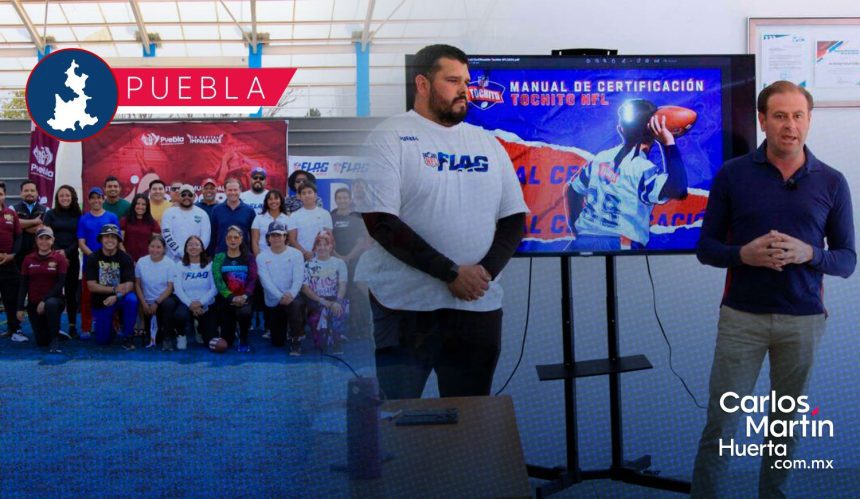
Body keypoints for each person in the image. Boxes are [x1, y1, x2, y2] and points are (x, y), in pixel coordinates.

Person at [691, 81, 856, 498]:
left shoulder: (832, 182)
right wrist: (744, 254)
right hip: (741, 319)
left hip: (802, 321)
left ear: (809, 120)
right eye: (780, 116)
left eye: (798, 116)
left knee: (785, 429)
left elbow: (847, 260)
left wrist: (808, 254)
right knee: (722, 425)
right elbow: (706, 249)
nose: (790, 125)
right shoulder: (732, 175)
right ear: (762, 120)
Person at [356, 44, 527, 399]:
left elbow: (514, 219)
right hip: (405, 308)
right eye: (452, 80)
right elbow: (380, 221)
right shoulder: (389, 137)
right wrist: (450, 273)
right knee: (400, 424)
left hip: (477, 307)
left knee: (470, 422)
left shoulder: (488, 143)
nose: (464, 89)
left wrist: (483, 275)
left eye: (465, 80)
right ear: (422, 84)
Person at [565, 98, 688, 251]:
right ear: (654, 132)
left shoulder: (600, 158)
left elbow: (573, 190)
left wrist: (577, 228)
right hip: (621, 245)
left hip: (583, 240)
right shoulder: (642, 168)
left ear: (621, 128)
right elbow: (679, 190)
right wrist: (668, 143)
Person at [77, 187, 120, 339]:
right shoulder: (84, 219)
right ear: (89, 200)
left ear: (103, 199)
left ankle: (115, 325)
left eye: (99, 197)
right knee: (87, 296)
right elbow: (81, 243)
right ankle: (86, 327)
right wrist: (95, 258)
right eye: (93, 198)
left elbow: (117, 240)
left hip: (110, 264)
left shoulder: (112, 217)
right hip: (91, 263)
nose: (96, 200)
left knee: (112, 294)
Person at [86, 224, 138, 349]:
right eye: (106, 237)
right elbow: (91, 286)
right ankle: (112, 326)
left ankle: (128, 336)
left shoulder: (125, 258)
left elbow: (129, 285)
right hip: (101, 300)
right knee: (103, 341)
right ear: (101, 239)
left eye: (113, 237)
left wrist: (116, 296)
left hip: (120, 297)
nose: (110, 240)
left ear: (118, 240)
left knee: (131, 300)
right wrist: (113, 289)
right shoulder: (93, 258)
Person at [256, 221, 304, 355]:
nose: (276, 238)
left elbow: (298, 279)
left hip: (292, 297)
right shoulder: (261, 257)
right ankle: (281, 328)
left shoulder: (296, 254)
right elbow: (265, 282)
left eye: (279, 235)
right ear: (268, 238)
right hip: (274, 300)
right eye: (273, 235)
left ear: (285, 237)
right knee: (278, 342)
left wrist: (290, 295)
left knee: (296, 305)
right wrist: (280, 296)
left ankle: (296, 338)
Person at [16, 227, 67, 352]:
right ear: (36, 240)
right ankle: (55, 331)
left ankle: (55, 339)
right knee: (42, 342)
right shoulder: (28, 259)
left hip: (53, 301)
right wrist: (20, 307)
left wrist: (44, 300)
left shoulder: (59, 258)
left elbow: (60, 283)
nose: (44, 242)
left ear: (53, 240)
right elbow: (23, 285)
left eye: (47, 238)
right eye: (41, 238)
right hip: (34, 304)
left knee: (50, 304)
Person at [330, 187, 372, 335]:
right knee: (338, 292)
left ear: (350, 199)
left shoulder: (356, 217)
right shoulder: (331, 216)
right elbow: (329, 238)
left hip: (354, 260)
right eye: (339, 198)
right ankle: (336, 326)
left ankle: (360, 325)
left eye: (345, 198)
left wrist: (348, 257)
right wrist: (337, 256)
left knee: (356, 292)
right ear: (335, 200)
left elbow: (362, 240)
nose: (342, 200)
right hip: (334, 260)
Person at [301, 230, 349, 354]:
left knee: (340, 309)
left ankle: (337, 339)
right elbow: (305, 288)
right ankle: (321, 337)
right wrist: (322, 301)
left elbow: (342, 285)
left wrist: (338, 301)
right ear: (315, 247)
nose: (322, 248)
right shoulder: (308, 264)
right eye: (319, 244)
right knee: (320, 345)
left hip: (334, 298)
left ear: (331, 246)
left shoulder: (339, 263)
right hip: (316, 300)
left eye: (325, 244)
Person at [44, 185, 81, 338]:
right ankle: (55, 325)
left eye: (67, 195)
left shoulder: (78, 215)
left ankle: (72, 325)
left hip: (72, 258)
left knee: (71, 293)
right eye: (61, 196)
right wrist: (59, 254)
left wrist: (66, 253)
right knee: (55, 291)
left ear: (72, 197)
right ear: (57, 198)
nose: (65, 198)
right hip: (53, 258)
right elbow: (46, 236)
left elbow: (79, 238)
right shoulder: (50, 214)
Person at [212, 226, 257, 352]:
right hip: (226, 300)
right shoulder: (219, 257)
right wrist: (231, 297)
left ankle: (243, 337)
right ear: (226, 240)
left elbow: (252, 279)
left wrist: (244, 296)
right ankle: (232, 331)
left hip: (244, 299)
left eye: (236, 237)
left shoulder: (249, 257)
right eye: (230, 237)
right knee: (228, 342)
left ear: (241, 239)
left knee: (244, 313)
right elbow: (218, 280)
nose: (233, 240)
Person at [171, 235, 218, 349]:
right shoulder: (179, 265)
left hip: (205, 304)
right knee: (180, 315)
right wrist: (191, 304)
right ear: (186, 249)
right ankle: (181, 335)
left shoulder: (210, 264)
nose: (193, 247)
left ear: (202, 248)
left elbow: (215, 288)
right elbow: (178, 289)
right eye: (190, 245)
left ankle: (200, 328)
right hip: (187, 302)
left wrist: (200, 302)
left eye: (196, 244)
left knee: (210, 342)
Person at [134, 235, 177, 350]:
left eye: (159, 247)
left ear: (164, 249)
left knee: (169, 304)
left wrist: (156, 303)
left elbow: (170, 288)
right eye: (152, 246)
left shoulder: (170, 263)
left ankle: (168, 338)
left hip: (162, 302)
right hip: (147, 304)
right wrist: (143, 304)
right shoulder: (141, 262)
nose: (155, 250)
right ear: (148, 247)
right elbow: (137, 285)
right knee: (155, 339)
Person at [0, 181, 25, 342]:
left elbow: (19, 236)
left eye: (0, 194)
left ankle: (14, 328)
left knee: (11, 297)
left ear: (4, 195)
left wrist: (13, 255)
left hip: (8, 262)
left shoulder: (11, 213)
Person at [161, 184, 211, 262]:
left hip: (195, 259)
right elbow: (167, 235)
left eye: (190, 195)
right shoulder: (168, 213)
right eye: (183, 195)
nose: (186, 197)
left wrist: (193, 253)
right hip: (172, 260)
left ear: (194, 196)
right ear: (178, 196)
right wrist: (180, 252)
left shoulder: (202, 214)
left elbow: (205, 237)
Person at [289, 182, 332, 261]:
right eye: (304, 193)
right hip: (301, 257)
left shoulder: (325, 214)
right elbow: (292, 239)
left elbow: (329, 238)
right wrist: (305, 253)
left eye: (309, 192)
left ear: (315, 195)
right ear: (300, 197)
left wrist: (317, 253)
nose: (307, 195)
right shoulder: (294, 216)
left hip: (321, 257)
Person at [210, 178, 255, 255]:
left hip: (243, 255)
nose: (233, 193)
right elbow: (213, 235)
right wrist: (211, 254)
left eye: (235, 190)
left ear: (240, 190)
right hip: (221, 255)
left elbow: (253, 237)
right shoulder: (216, 210)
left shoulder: (249, 211)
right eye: (230, 190)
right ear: (225, 191)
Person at [13, 180, 47, 269]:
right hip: (18, 254)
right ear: (21, 193)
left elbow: (43, 228)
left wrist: (23, 226)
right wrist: (34, 222)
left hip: (40, 253)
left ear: (37, 193)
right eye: (26, 190)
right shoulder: (12, 209)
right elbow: (14, 224)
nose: (29, 193)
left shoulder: (46, 210)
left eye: (32, 190)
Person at [121, 194, 161, 262]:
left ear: (147, 207)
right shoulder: (124, 221)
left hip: (147, 261)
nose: (140, 206)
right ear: (133, 205)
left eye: (143, 204)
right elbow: (120, 242)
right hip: (127, 260)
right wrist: (126, 258)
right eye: (138, 204)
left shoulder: (153, 223)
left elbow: (156, 245)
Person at [251, 190, 289, 256]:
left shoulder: (287, 219)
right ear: (266, 202)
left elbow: (289, 241)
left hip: (283, 257)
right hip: (263, 256)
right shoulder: (258, 218)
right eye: (270, 199)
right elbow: (254, 241)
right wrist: (258, 257)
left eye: (276, 198)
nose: (273, 201)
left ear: (281, 200)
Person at [195, 178, 220, 255]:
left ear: (216, 190)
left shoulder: (221, 208)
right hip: (198, 250)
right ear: (202, 190)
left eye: (212, 188)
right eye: (206, 188)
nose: (209, 191)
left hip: (216, 249)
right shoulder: (195, 208)